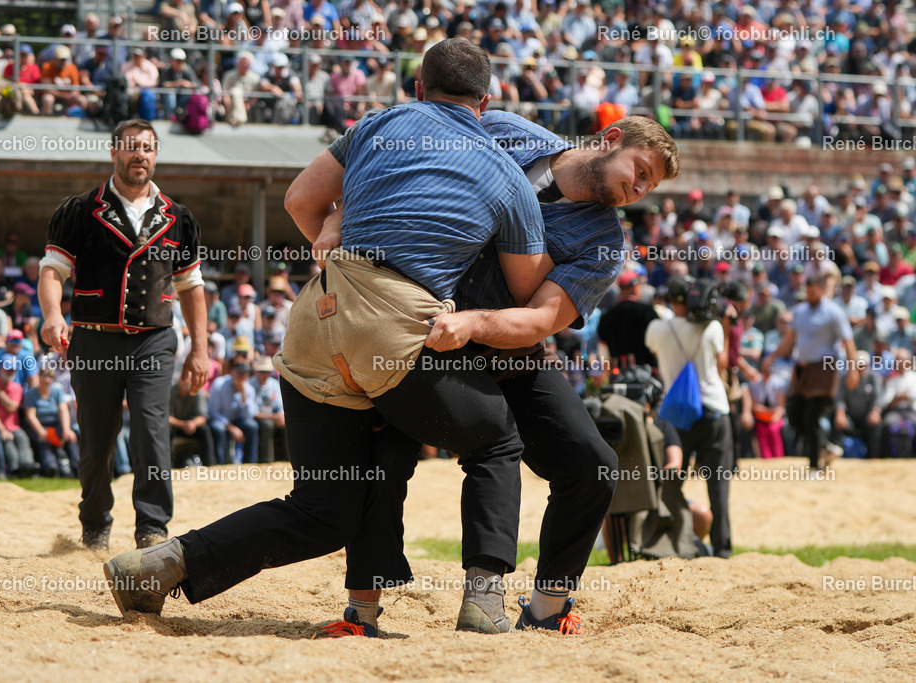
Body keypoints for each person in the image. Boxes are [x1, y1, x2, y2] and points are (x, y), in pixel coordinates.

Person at [105, 41, 677, 637]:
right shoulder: (503, 133)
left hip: (494, 339)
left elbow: (536, 318)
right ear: (610, 139)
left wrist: (467, 322)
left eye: (650, 186)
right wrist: (338, 223)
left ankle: (549, 603)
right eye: (640, 171)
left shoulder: (603, 242)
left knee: (591, 463)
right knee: (394, 453)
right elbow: (379, 183)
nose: (640, 188)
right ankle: (372, 609)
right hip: (409, 323)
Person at [39, 118, 208, 551]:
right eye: (132, 147)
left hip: (154, 340)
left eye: (148, 148)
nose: (140, 155)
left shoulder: (179, 217)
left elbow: (191, 287)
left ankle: (152, 527)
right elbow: (53, 270)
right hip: (93, 339)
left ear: (156, 154)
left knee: (151, 431)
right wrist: (52, 315)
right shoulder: (79, 210)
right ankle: (95, 523)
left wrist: (200, 349)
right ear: (114, 151)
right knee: (97, 439)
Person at [645, 275, 733, 558]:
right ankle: (722, 549)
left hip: (675, 415)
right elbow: (722, 363)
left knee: (671, 482)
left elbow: (654, 350)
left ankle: (673, 540)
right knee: (718, 484)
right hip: (714, 408)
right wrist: (726, 326)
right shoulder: (713, 326)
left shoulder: (657, 327)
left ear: (670, 299)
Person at [763, 273, 859, 474]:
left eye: (813, 292)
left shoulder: (834, 312)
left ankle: (815, 466)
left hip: (824, 369)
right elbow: (789, 340)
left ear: (823, 291)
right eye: (808, 292)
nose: (810, 296)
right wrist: (772, 358)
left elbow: (848, 341)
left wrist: (853, 369)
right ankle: (824, 447)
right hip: (802, 368)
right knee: (794, 413)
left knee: (811, 415)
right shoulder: (799, 312)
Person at [598, 270, 659, 369]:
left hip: (618, 372)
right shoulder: (647, 312)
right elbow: (657, 345)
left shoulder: (607, 316)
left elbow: (604, 353)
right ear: (636, 287)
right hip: (647, 371)